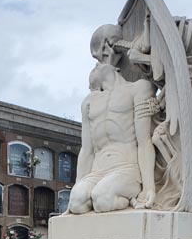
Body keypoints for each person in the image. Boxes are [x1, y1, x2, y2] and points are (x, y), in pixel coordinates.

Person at [66, 62, 157, 214]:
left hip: (126, 168)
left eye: (99, 64)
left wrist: (148, 188)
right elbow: (86, 150)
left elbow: (144, 141)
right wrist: (78, 184)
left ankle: (127, 199)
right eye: (93, 65)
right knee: (76, 202)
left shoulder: (139, 88)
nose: (96, 65)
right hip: (97, 172)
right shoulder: (88, 102)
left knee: (102, 198)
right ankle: (107, 197)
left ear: (117, 68)